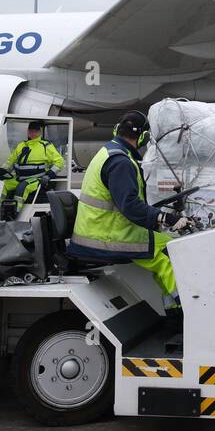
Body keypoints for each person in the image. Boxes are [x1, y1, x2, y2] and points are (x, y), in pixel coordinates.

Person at [68, 111, 184, 313]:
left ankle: (172, 305)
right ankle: (184, 310)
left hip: (101, 229)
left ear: (116, 130)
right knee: (166, 255)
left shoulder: (113, 153)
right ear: (144, 138)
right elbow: (129, 205)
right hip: (105, 236)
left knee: (170, 245)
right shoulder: (121, 162)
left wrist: (159, 214)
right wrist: (165, 217)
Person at [0, 121, 64, 207]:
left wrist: (49, 175)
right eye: (31, 131)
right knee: (2, 185)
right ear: (27, 131)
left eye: (35, 131)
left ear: (40, 132)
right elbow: (10, 161)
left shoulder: (46, 146)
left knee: (22, 188)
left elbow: (59, 161)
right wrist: (2, 171)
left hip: (36, 179)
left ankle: (13, 213)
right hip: (20, 178)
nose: (33, 133)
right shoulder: (21, 146)